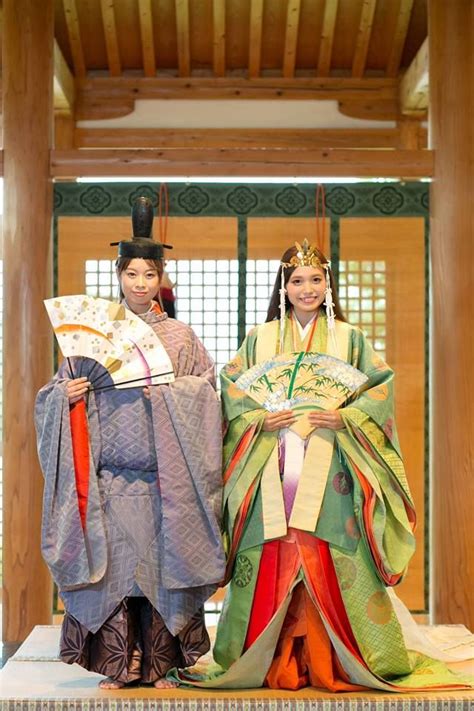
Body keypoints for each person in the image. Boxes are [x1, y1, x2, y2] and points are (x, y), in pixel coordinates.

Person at [174, 240, 471, 691]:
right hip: (271, 462)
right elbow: (234, 391)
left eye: (316, 280)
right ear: (284, 287)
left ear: (328, 285)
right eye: (297, 281)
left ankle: (338, 655)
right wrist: (259, 417)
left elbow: (378, 391)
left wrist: (345, 416)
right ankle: (265, 657)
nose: (306, 289)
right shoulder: (261, 338)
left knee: (327, 549)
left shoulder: (350, 340)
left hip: (332, 462)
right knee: (272, 547)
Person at [35, 197, 225, 690]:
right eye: (131, 274)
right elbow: (52, 397)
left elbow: (207, 392)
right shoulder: (91, 337)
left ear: (162, 276)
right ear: (118, 276)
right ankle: (120, 663)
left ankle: (162, 663)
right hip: (110, 480)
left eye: (149, 274)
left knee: (161, 571)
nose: (140, 284)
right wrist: (68, 395)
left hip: (166, 481)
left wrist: (170, 392)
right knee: (117, 570)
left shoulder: (180, 337)